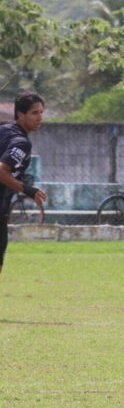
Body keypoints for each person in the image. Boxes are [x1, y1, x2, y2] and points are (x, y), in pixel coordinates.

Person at [0, 91, 47, 273]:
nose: (40, 118)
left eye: (42, 112)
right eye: (35, 113)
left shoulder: (4, 130)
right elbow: (2, 171)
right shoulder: (21, 142)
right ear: (20, 115)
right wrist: (28, 190)